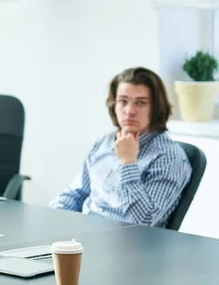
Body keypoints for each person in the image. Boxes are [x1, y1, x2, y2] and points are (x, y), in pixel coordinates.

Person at [49, 67, 192, 228]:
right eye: (123, 101)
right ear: (114, 104)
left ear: (156, 107)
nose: (129, 111)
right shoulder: (104, 143)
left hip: (128, 246)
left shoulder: (169, 157)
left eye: (140, 103)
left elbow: (144, 221)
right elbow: (77, 193)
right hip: (85, 234)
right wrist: (51, 221)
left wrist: (128, 163)